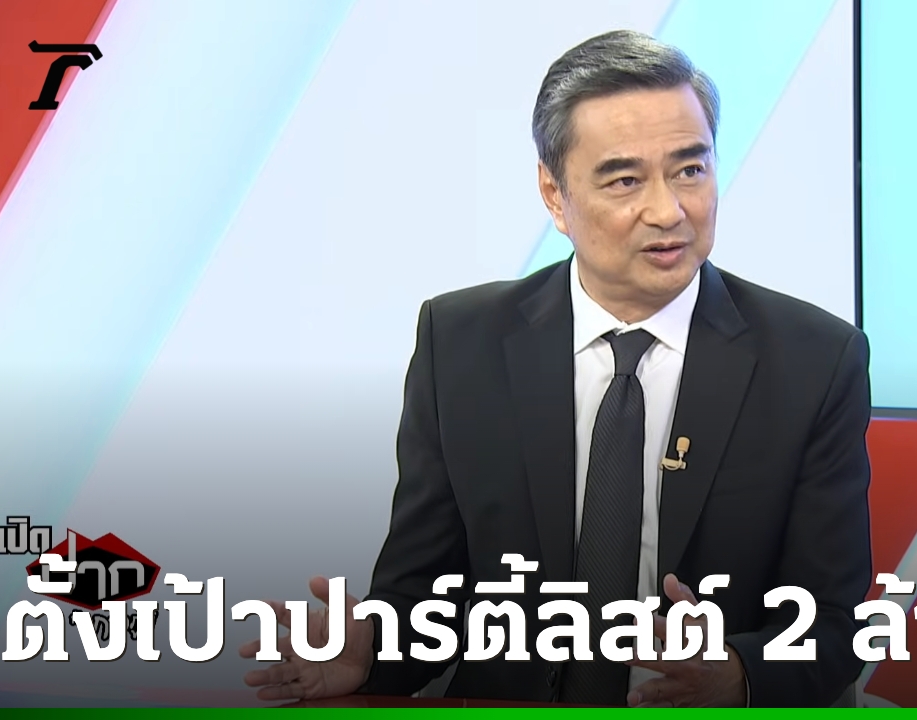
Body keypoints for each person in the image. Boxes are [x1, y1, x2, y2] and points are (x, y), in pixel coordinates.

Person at [241, 29, 872, 708]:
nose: (669, 211)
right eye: (625, 180)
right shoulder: (462, 343)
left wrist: (739, 676)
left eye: (691, 170)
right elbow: (427, 599)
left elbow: (834, 627)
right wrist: (371, 649)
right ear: (553, 192)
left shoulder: (813, 360)